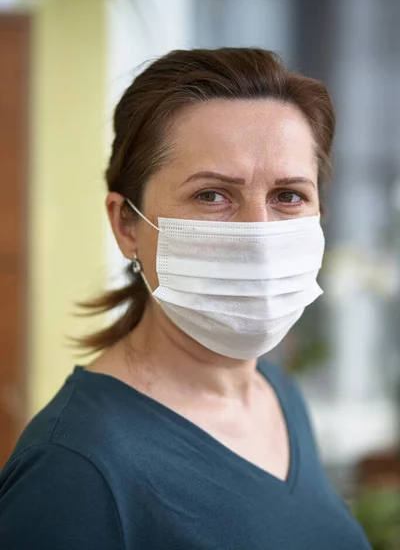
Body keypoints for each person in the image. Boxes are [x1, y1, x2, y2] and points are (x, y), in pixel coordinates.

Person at [0, 48, 371, 549]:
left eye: (288, 196)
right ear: (126, 225)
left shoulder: (278, 394)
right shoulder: (76, 468)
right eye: (212, 195)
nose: (258, 237)